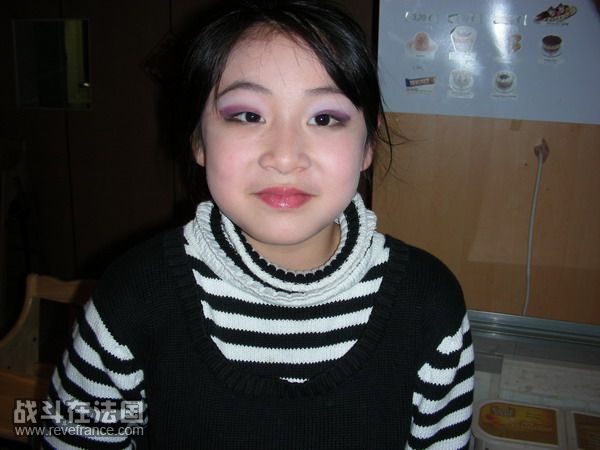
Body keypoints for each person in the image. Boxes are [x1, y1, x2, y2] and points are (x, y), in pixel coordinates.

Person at [42, 1, 474, 448]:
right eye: (248, 116)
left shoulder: (429, 303)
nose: (284, 157)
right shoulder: (133, 297)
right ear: (198, 139)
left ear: (368, 145)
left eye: (324, 118)